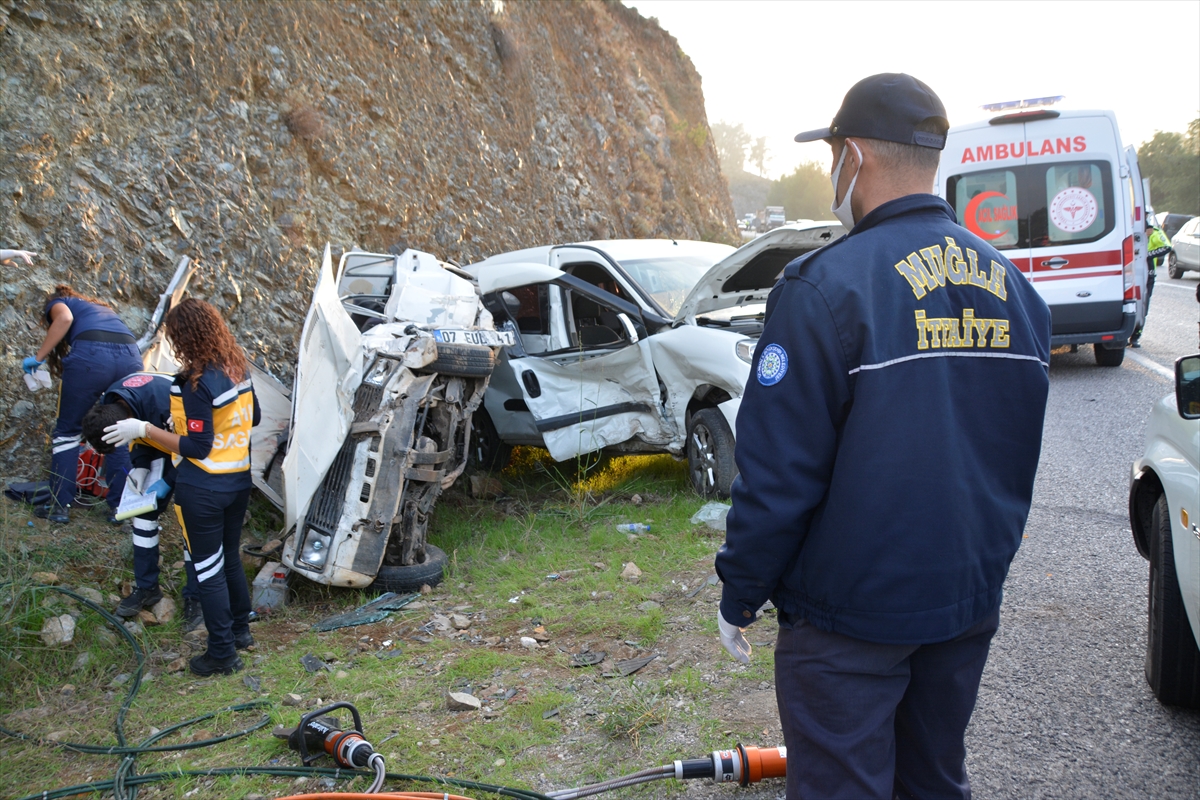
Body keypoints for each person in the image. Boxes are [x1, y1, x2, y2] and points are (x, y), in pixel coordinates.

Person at [714, 74, 1051, 800]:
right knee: (933, 779)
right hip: (963, 599)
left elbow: (778, 477)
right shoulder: (1015, 289)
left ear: (854, 158)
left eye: (833, 151)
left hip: (848, 619)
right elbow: (1011, 447)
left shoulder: (823, 287)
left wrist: (739, 591)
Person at [102, 298, 259, 676]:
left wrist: (145, 430)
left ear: (183, 337)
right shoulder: (238, 369)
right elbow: (252, 420)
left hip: (202, 489)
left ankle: (222, 654)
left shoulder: (196, 383)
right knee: (231, 560)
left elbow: (196, 446)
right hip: (238, 481)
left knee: (207, 570)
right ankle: (241, 632)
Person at [81, 372, 203, 632]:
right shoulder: (112, 402)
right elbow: (137, 438)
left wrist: (168, 480)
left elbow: (192, 448)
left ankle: (196, 595)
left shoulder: (167, 402)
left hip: (190, 449)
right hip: (159, 440)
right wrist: (141, 466)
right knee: (143, 517)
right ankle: (147, 587)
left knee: (189, 520)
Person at [25, 285, 143, 524]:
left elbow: (65, 318)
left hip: (92, 355)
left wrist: (38, 358)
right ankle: (122, 508)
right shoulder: (100, 308)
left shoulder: (60, 303)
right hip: (131, 356)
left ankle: (59, 506)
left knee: (67, 433)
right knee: (117, 432)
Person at [1130, 219, 1172, 347]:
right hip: (1128, 274)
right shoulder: (1128, 231)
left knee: (1143, 304)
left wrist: (1147, 255)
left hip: (1147, 275)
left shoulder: (1155, 233)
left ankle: (1136, 336)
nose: (1147, 231)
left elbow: (1166, 247)